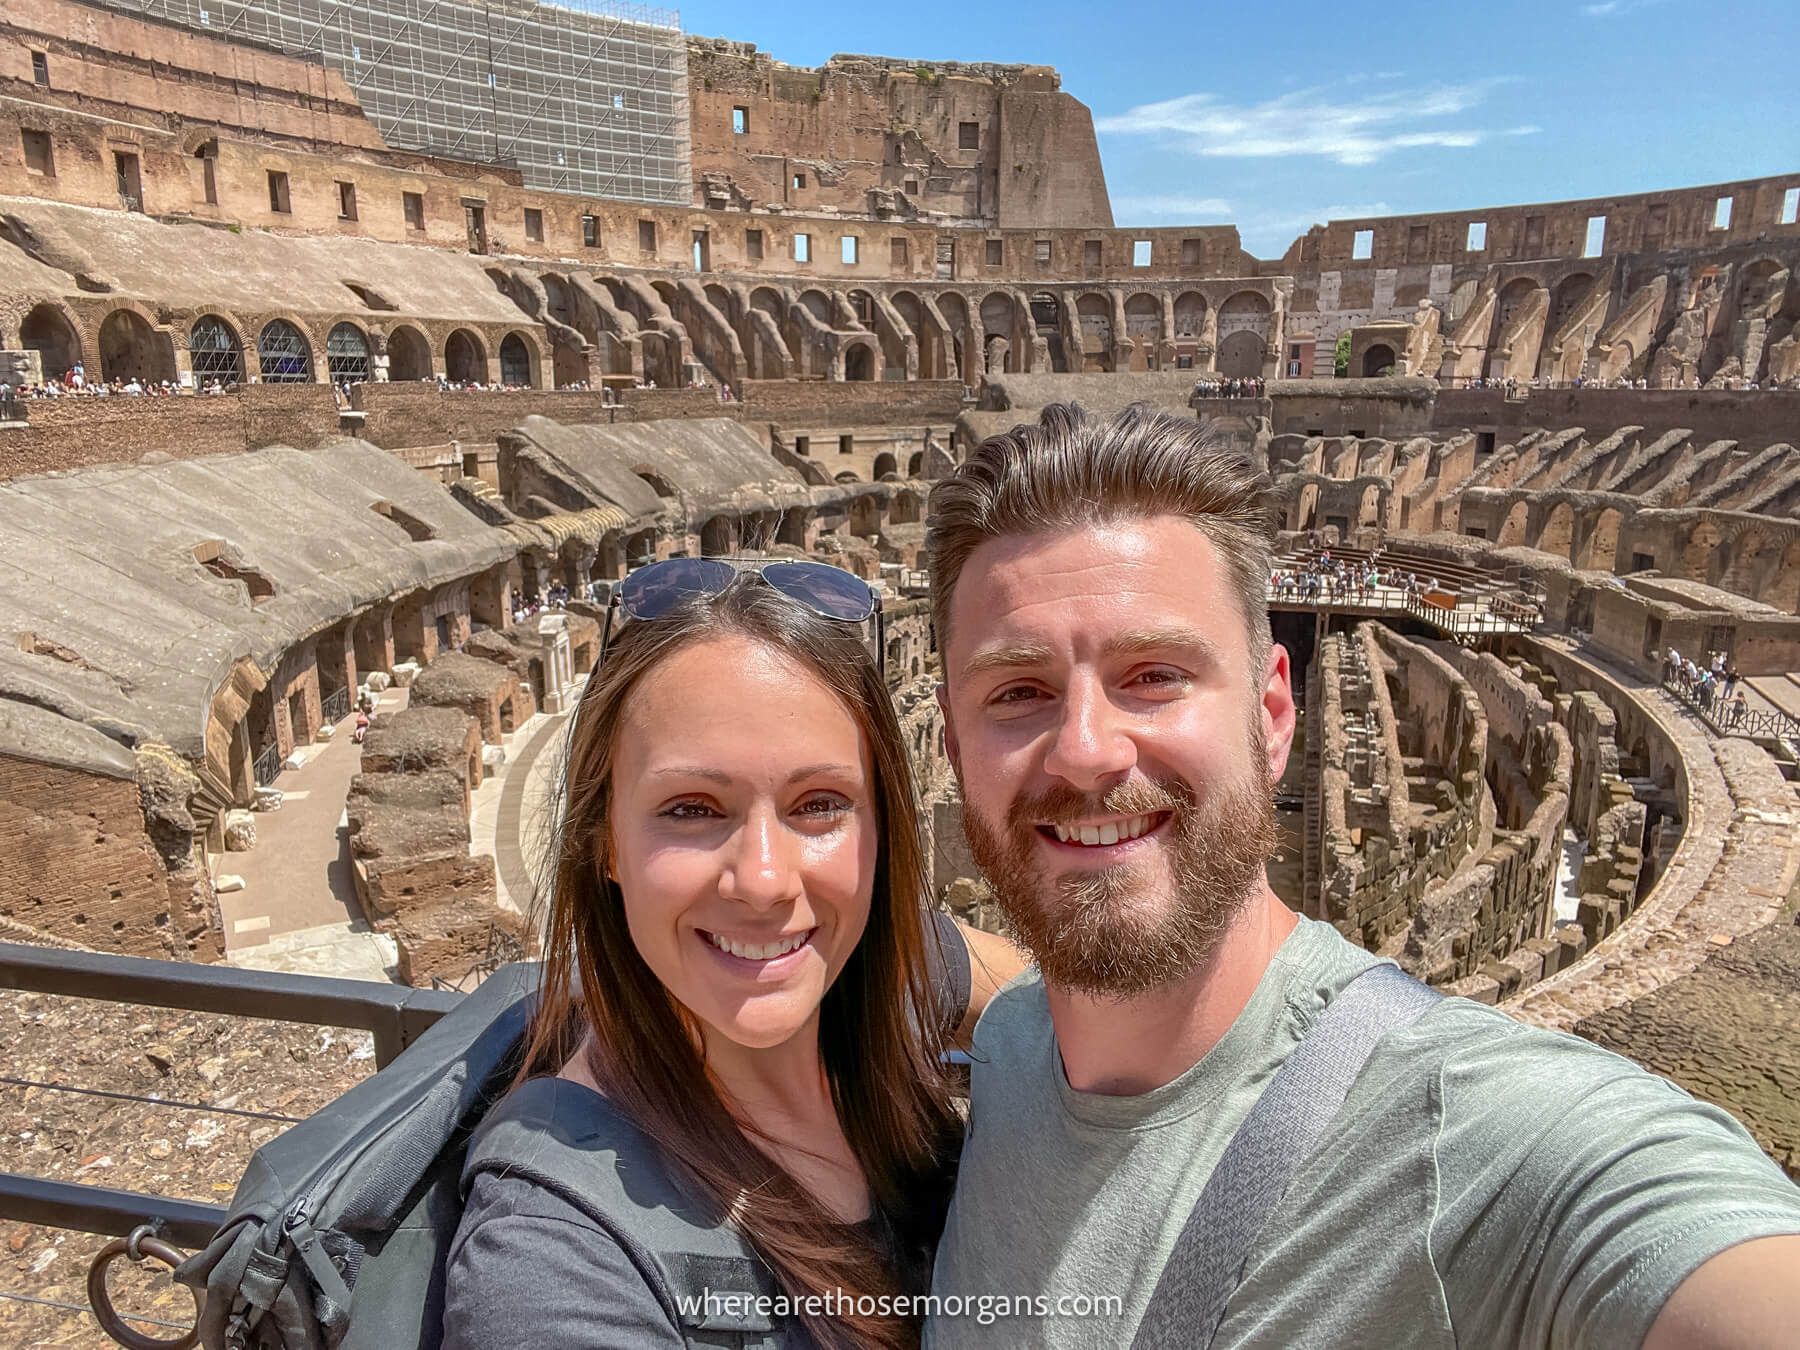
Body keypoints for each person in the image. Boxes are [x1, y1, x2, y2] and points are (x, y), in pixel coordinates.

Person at [922, 403, 1800, 1348]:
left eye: (1154, 675)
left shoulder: (1483, 1139)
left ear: (1271, 714)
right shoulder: (1009, 1050)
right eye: (1018, 691)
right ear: (951, 743)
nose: (1087, 752)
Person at [443, 559, 1023, 1348]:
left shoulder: (882, 977)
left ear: (882, 828)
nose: (763, 881)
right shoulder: (551, 1258)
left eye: (819, 805)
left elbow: (1086, 1005)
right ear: (603, 839)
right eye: (691, 809)